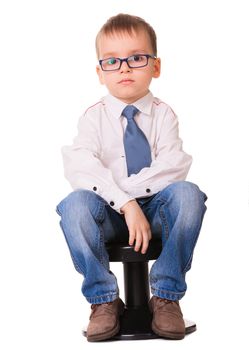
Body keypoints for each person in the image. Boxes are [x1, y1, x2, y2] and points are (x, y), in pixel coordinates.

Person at [56, 13, 207, 342]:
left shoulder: (164, 115)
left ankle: (166, 296)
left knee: (189, 194)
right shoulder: (93, 118)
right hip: (108, 214)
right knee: (74, 205)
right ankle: (104, 300)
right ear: (100, 72)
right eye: (112, 61)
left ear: (155, 66)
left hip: (154, 211)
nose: (124, 68)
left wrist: (137, 204)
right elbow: (80, 166)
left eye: (136, 58)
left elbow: (173, 165)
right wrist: (124, 203)